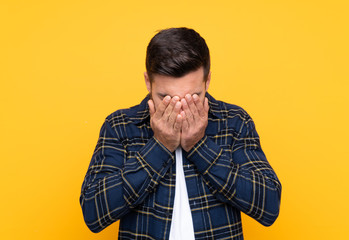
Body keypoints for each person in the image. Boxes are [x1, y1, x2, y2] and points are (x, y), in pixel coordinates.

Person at [80, 27, 282, 240]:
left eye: (192, 97)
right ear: (148, 82)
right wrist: (159, 146)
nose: (179, 111)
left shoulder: (234, 121)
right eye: (165, 98)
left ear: (208, 81)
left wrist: (199, 146)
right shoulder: (120, 125)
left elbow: (269, 206)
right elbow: (93, 213)